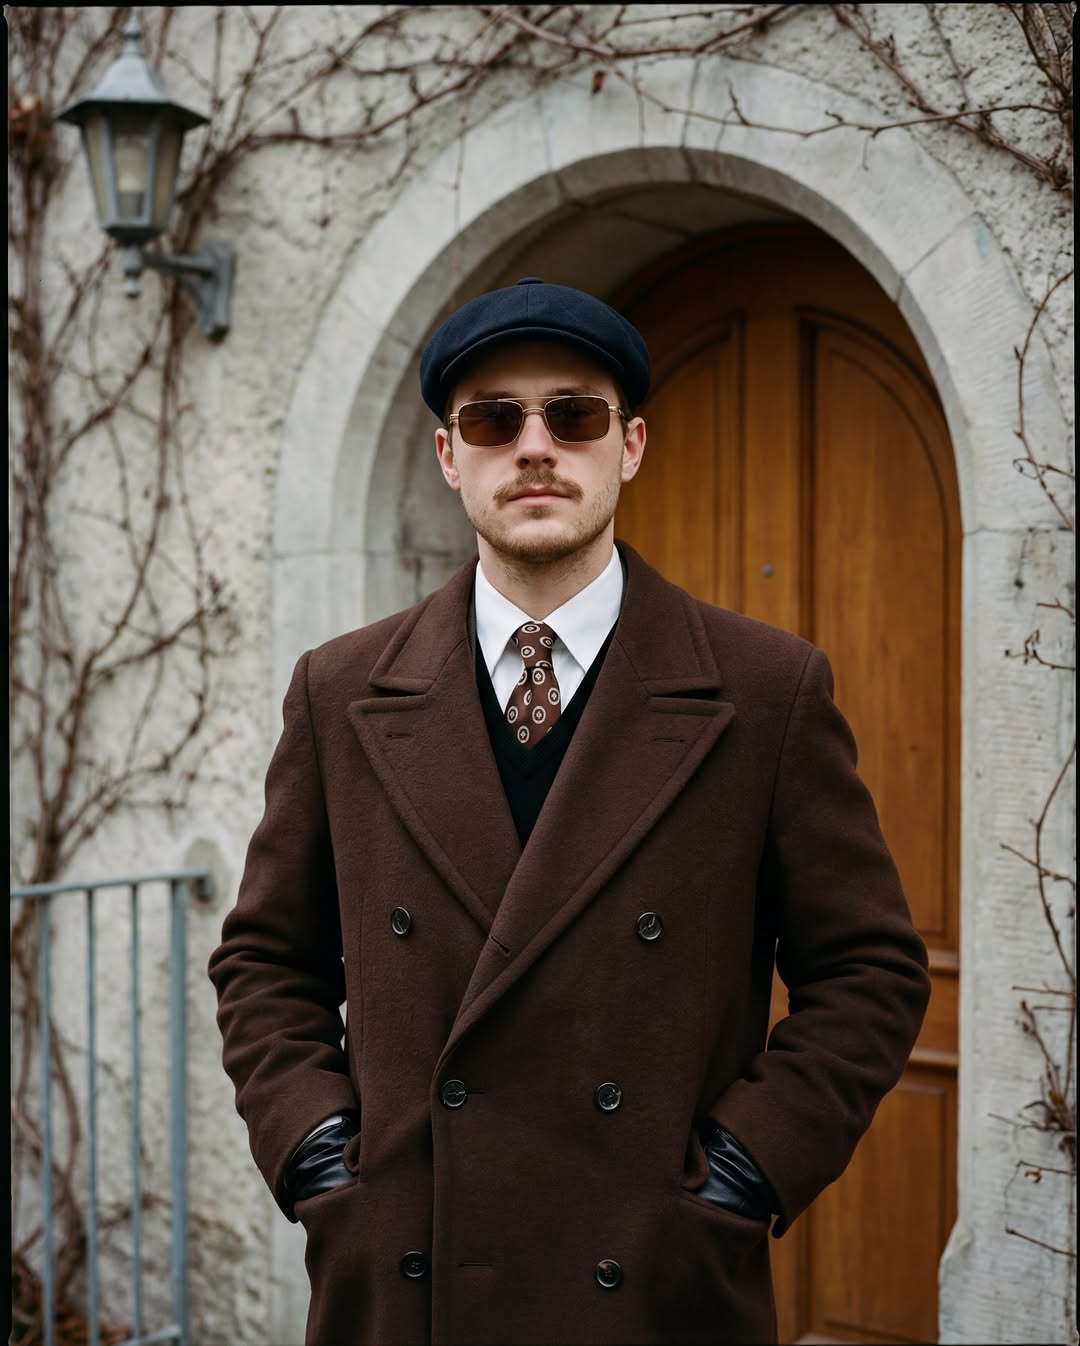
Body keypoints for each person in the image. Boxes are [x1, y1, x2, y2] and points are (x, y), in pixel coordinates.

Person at [208, 277, 931, 1346]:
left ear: (628, 445)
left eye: (574, 415)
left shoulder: (765, 688)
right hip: (407, 1274)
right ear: (451, 457)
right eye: (494, 419)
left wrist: (742, 1171)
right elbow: (266, 961)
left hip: (653, 1276)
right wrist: (318, 1152)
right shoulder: (340, 689)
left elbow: (872, 970)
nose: (535, 446)